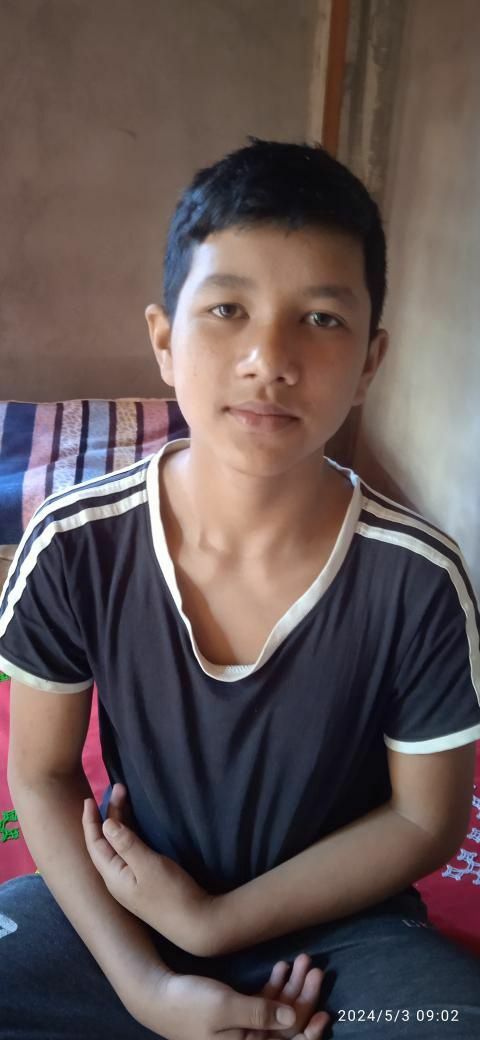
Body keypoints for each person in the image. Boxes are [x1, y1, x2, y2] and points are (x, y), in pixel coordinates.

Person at [0, 137, 479, 1040]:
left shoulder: (417, 578)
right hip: (127, 904)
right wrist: (149, 986)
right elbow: (42, 771)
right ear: (164, 341)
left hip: (343, 932)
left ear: (370, 362)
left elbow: (426, 819)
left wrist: (214, 924)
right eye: (227, 309)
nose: (269, 357)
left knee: (451, 1019)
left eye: (322, 319)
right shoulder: (75, 544)